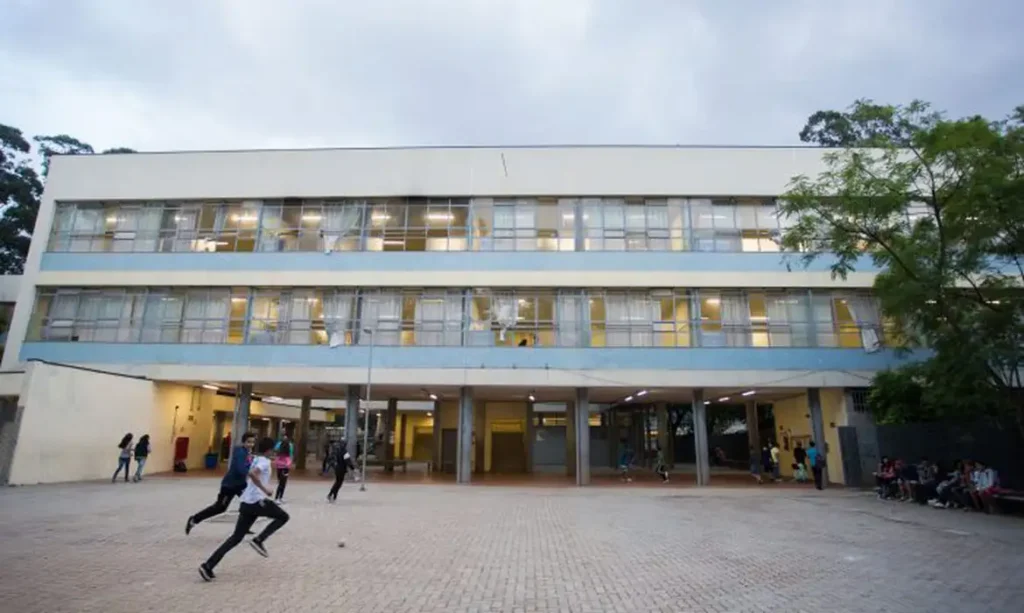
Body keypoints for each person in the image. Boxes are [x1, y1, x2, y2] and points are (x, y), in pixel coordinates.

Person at [199, 437, 290, 581]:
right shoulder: (264, 462)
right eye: (273, 450)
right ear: (268, 450)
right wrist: (265, 489)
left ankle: (208, 566)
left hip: (246, 503)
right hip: (257, 501)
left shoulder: (255, 459)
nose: (274, 452)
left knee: (236, 538)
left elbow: (250, 472)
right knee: (283, 517)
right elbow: (253, 474)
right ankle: (259, 540)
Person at [186, 432, 256, 535]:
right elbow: (240, 469)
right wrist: (252, 473)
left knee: (250, 503)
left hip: (241, 484)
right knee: (220, 507)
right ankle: (194, 519)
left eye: (253, 442)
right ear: (243, 442)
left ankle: (243, 528)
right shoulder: (240, 452)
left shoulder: (247, 453)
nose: (251, 444)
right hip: (230, 485)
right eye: (248, 442)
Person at [273, 438, 293, 503]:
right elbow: (288, 463)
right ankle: (277, 498)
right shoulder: (286, 456)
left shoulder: (279, 455)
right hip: (285, 470)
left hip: (279, 469)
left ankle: (280, 497)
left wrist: (282, 464)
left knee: (281, 484)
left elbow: (276, 462)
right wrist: (285, 465)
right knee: (282, 484)